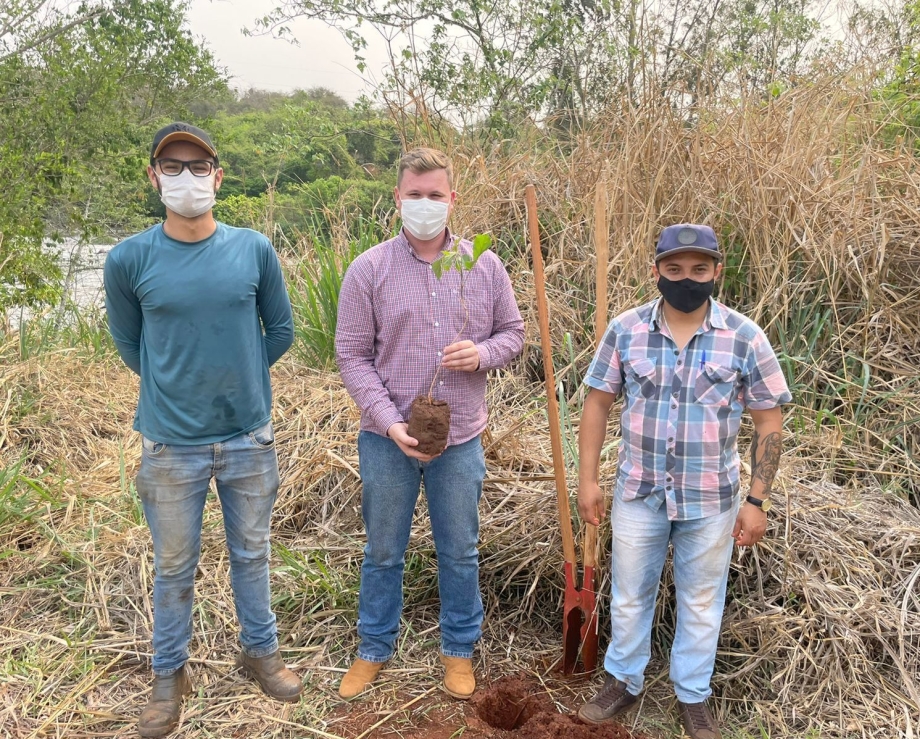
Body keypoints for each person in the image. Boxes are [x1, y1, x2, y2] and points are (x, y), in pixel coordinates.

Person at [104, 122, 302, 738]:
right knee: (173, 565)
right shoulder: (129, 258)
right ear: (154, 176)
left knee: (252, 553)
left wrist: (236, 377)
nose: (186, 178)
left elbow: (282, 332)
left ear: (218, 177)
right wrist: (179, 385)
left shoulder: (254, 250)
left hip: (248, 436)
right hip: (168, 441)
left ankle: (259, 653)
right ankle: (169, 677)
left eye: (198, 166)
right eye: (173, 166)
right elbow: (130, 344)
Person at [576, 224, 791, 739]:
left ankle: (693, 696)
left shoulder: (744, 337)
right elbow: (597, 403)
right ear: (656, 272)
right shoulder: (626, 331)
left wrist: (756, 499)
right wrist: (587, 480)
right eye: (674, 270)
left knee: (701, 600)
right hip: (639, 492)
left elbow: (769, 422)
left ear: (717, 272)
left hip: (711, 498)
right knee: (630, 594)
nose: (686, 280)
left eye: (698, 270)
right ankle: (624, 682)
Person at [335, 147, 525, 701]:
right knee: (384, 549)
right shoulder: (369, 269)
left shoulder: (481, 264)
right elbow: (351, 355)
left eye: (435, 195)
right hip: (386, 439)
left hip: (460, 435)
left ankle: (458, 650)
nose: (424, 204)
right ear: (397, 199)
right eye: (414, 195)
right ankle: (373, 647)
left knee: (460, 548)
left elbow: (512, 334)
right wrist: (391, 422)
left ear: (452, 199)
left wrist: (482, 354)